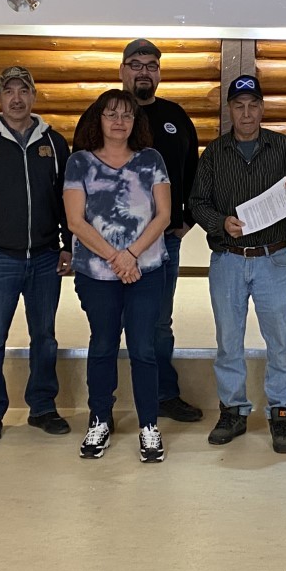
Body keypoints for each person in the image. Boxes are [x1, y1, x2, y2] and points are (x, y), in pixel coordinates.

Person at [189, 74, 286, 454]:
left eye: (253, 105)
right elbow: (197, 202)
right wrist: (219, 222)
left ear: (262, 108)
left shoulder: (285, 148)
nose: (246, 113)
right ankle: (233, 411)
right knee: (228, 341)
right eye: (239, 106)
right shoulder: (214, 152)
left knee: (280, 341)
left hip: (273, 258)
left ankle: (281, 413)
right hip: (228, 259)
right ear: (230, 110)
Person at [0, 66, 73, 442]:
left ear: (34, 96)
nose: (17, 98)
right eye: (10, 91)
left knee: (45, 336)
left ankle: (42, 406)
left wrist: (67, 244)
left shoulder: (53, 143)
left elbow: (65, 199)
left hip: (43, 256)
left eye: (24, 91)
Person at [64, 90, 172, 462]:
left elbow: (163, 215)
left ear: (135, 122)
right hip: (97, 274)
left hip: (147, 270)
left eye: (126, 115)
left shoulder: (150, 160)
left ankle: (148, 425)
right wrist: (116, 257)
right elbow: (76, 221)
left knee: (143, 348)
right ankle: (99, 420)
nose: (119, 121)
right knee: (103, 344)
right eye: (111, 115)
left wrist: (131, 255)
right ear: (99, 120)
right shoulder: (80, 163)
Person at [119, 39, 204, 423]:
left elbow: (193, 172)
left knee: (159, 320)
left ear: (159, 72)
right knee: (113, 319)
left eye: (150, 65)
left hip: (166, 239)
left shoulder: (175, 117)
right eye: (135, 64)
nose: (143, 72)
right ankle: (113, 397)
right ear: (122, 71)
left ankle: (163, 393)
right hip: (117, 243)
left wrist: (186, 221)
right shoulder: (106, 114)